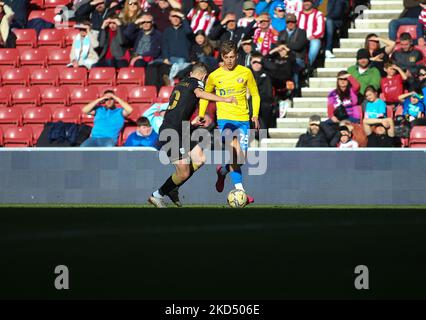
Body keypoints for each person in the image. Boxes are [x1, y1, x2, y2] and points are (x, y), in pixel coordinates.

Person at [148, 62, 238, 208]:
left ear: (190, 73)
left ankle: (173, 188)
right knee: (183, 173)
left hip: (181, 128)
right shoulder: (197, 82)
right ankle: (157, 195)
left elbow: (178, 110)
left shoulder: (181, 84)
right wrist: (225, 99)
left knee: (200, 158)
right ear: (203, 76)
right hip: (171, 131)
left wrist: (192, 124)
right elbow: (200, 94)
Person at [197, 40, 260, 204]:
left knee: (240, 159)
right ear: (222, 57)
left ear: (237, 56)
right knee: (235, 153)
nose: (230, 60)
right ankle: (241, 192)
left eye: (233, 57)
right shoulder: (214, 76)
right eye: (227, 57)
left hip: (243, 120)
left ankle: (223, 171)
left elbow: (255, 94)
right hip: (225, 120)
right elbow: (204, 95)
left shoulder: (245, 72)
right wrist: (202, 114)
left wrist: (255, 115)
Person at [277, 13, 308, 90]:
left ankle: (295, 89)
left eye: (292, 22)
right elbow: (278, 46)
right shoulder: (281, 33)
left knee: (293, 64)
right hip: (284, 58)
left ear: (296, 22)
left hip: (298, 58)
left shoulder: (302, 32)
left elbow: (298, 46)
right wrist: (289, 46)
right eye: (288, 22)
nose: (290, 24)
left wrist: (285, 46)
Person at [297, 0, 324, 70]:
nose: (306, 3)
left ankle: (308, 66)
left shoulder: (318, 14)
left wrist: (312, 36)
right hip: (299, 39)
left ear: (312, 3)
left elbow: (320, 30)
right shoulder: (298, 14)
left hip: (313, 38)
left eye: (308, 2)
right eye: (305, 2)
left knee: (316, 43)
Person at [250, 52, 274, 131]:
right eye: (254, 62)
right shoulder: (246, 74)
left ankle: (261, 136)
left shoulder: (267, 75)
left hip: (264, 105)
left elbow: (276, 69)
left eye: (259, 62)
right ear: (250, 63)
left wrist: (263, 60)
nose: (256, 64)